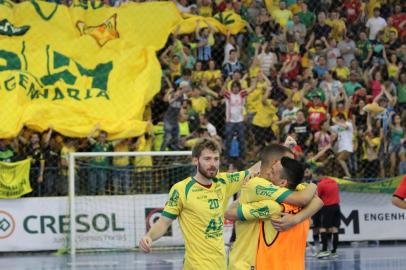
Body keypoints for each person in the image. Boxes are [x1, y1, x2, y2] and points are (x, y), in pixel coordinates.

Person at [139, 138, 261, 269]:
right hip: (196, 265)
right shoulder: (181, 189)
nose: (213, 164)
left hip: (220, 264)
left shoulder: (224, 182)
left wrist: (284, 149)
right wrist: (149, 236)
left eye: (216, 159)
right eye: (207, 159)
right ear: (195, 160)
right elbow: (164, 222)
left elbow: (254, 170)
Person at [228, 144, 321, 270]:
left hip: (260, 262)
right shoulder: (259, 186)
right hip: (245, 263)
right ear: (275, 163)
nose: (291, 164)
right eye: (287, 161)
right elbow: (307, 199)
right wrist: (313, 185)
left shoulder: (291, 188)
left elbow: (318, 201)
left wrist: (296, 218)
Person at [316, 167, 341, 259]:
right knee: (335, 229)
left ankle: (324, 250)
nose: (317, 178)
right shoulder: (334, 181)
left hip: (327, 207)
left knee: (323, 228)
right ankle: (334, 251)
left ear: (320, 175)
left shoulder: (321, 184)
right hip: (337, 206)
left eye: (317, 176)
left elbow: (317, 197)